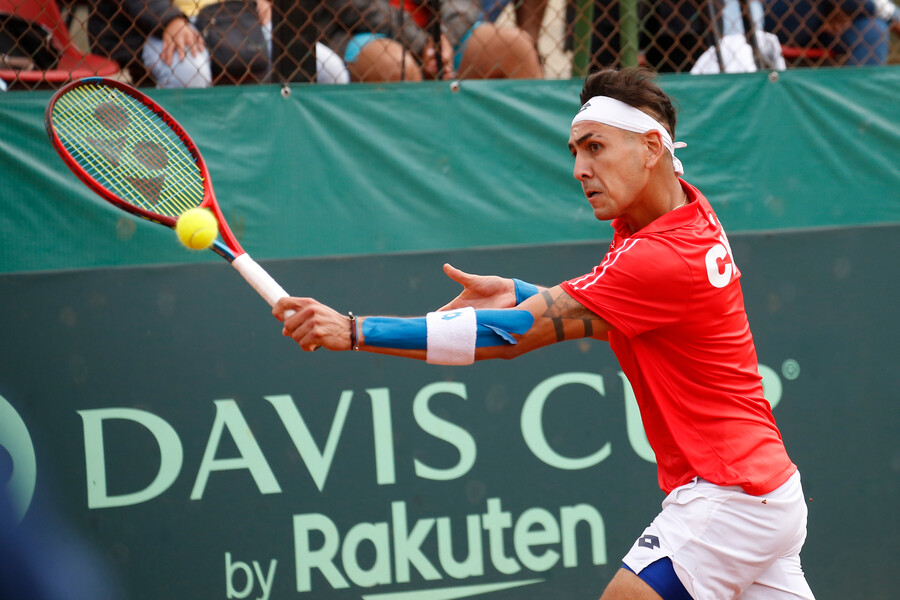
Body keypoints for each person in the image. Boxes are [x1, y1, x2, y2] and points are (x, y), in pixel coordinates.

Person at [273, 67, 816, 600]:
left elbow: (509, 337)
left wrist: (354, 329)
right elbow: (625, 318)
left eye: (596, 147)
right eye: (575, 151)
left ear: (652, 148)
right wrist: (521, 290)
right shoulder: (681, 211)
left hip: (729, 491)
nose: (580, 168)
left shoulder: (656, 257)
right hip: (769, 490)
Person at [88, 0, 349, 87]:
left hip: (235, 14)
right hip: (161, 22)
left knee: (330, 69)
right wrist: (168, 20)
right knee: (190, 72)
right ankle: (182, 163)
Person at [316, 0, 543, 82]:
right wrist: (423, 44)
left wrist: (444, 37)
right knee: (395, 67)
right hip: (356, 33)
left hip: (438, 35)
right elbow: (354, 7)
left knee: (515, 48)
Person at [764, 0, 900, 65]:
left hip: (827, 16)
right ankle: (887, 11)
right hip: (775, 17)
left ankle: (858, 112)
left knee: (873, 30)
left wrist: (838, 8)